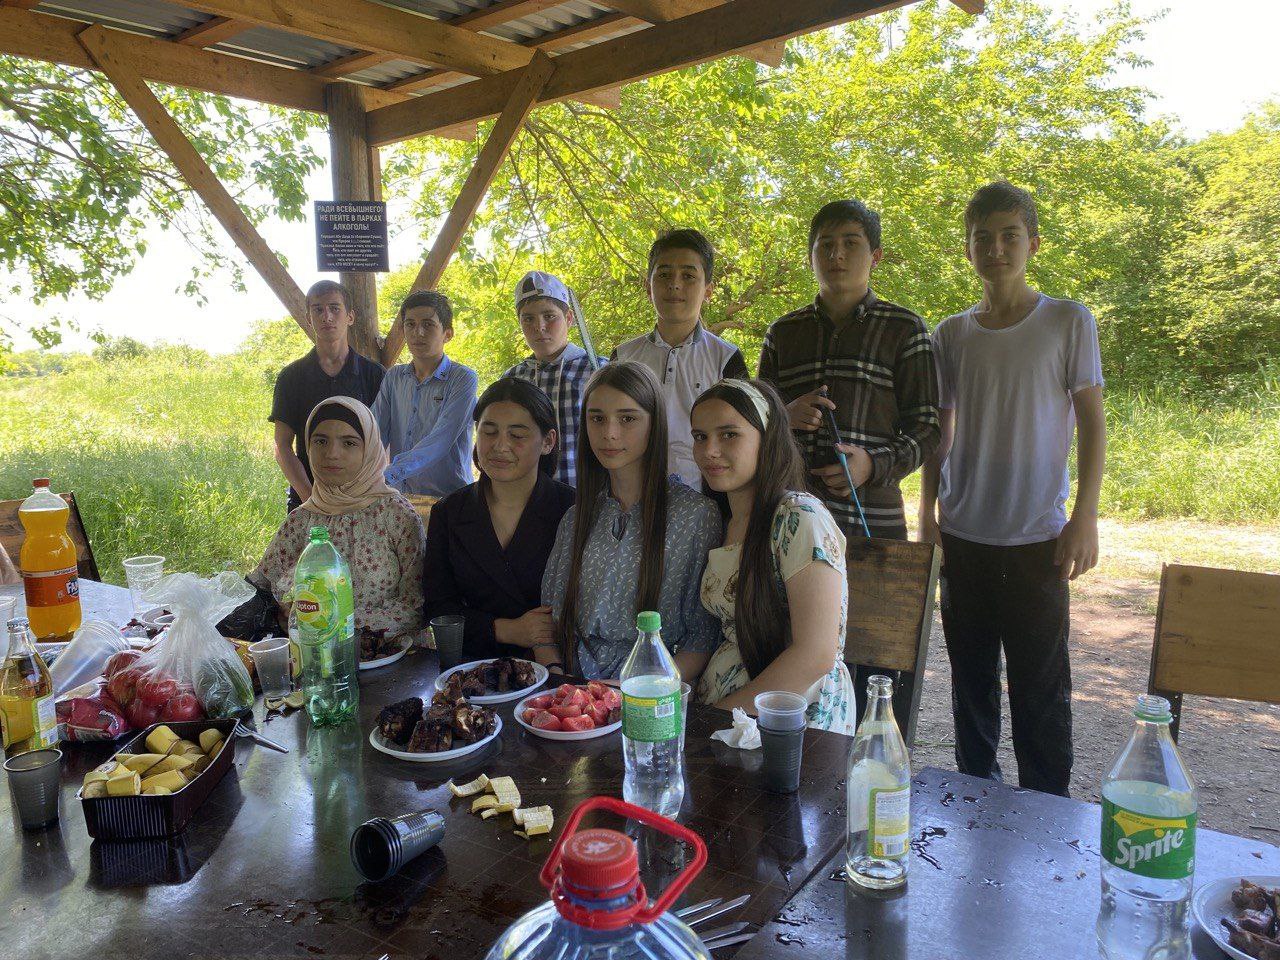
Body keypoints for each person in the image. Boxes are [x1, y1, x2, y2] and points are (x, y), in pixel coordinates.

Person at [919, 181, 1106, 797]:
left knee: (1041, 688)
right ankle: (979, 800)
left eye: (1009, 235)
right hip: (964, 535)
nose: (996, 248)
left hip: (1038, 539)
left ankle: (1047, 810)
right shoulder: (951, 334)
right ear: (967, 249)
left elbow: (1092, 421)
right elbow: (940, 431)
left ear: (1033, 243)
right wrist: (927, 512)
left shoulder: (1066, 320)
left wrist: (1085, 517)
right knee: (970, 684)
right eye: (983, 238)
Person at [758, 200, 939, 541]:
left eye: (851, 243)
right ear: (810, 256)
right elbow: (753, 422)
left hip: (872, 519)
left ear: (875, 256)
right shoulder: (782, 333)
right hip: (789, 517)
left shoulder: (905, 329)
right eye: (825, 244)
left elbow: (927, 430)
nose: (836, 254)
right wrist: (784, 414)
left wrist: (872, 464)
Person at [688, 378, 856, 734]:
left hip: (791, 719)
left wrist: (716, 720)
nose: (709, 451)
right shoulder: (724, 521)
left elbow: (815, 655)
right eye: (700, 436)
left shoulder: (799, 517)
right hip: (728, 717)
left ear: (768, 439)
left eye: (729, 434)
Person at [542, 361, 722, 679]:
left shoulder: (696, 516)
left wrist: (629, 693)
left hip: (653, 690)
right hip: (571, 688)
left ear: (654, 424)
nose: (609, 433)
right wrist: (557, 677)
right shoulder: (575, 518)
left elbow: (701, 641)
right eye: (597, 418)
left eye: (627, 418)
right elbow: (547, 626)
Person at [251, 396, 427, 651]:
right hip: (311, 663)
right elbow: (260, 589)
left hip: (390, 662)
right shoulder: (301, 520)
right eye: (320, 441)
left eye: (349, 443)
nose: (332, 454)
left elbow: (416, 607)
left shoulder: (396, 516)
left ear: (369, 449)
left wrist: (332, 624)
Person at [423, 378, 576, 664]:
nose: (500, 446)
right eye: (489, 432)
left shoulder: (574, 510)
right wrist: (508, 630)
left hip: (560, 671)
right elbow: (438, 609)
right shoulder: (449, 512)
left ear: (548, 441)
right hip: (472, 670)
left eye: (517, 435)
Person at [611, 229, 749, 488]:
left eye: (688, 276)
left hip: (708, 495)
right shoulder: (623, 357)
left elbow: (741, 437)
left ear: (708, 290)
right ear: (648, 287)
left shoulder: (726, 357)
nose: (674, 284)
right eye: (664, 275)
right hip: (634, 491)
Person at [270, 280, 385, 511]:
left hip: (363, 501)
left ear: (350, 317)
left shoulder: (374, 375)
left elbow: (384, 443)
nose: (327, 317)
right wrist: (312, 499)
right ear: (309, 318)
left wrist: (366, 495)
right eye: (318, 310)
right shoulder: (291, 377)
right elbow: (282, 446)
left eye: (334, 308)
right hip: (307, 500)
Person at [372, 290, 478, 498]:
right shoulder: (394, 377)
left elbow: (439, 441)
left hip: (450, 499)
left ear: (448, 334)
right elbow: (373, 432)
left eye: (428, 325)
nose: (418, 332)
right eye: (410, 324)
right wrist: (355, 471)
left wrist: (387, 475)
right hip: (401, 498)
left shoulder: (462, 379)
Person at [503, 271, 598, 486]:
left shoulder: (597, 371)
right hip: (528, 497)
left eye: (549, 316)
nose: (539, 326)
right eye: (528, 319)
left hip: (586, 496)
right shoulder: (512, 380)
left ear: (569, 318)